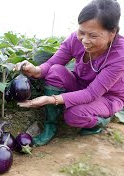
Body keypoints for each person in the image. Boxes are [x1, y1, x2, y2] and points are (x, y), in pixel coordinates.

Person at [14, 0, 124, 146]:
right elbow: (52, 63)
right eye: (81, 32)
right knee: (55, 71)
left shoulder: (119, 55)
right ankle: (50, 125)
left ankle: (100, 121)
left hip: (106, 97)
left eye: (93, 36)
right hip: (80, 85)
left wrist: (50, 99)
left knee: (74, 115)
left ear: (112, 33)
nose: (85, 40)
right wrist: (36, 70)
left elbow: (91, 93)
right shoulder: (75, 39)